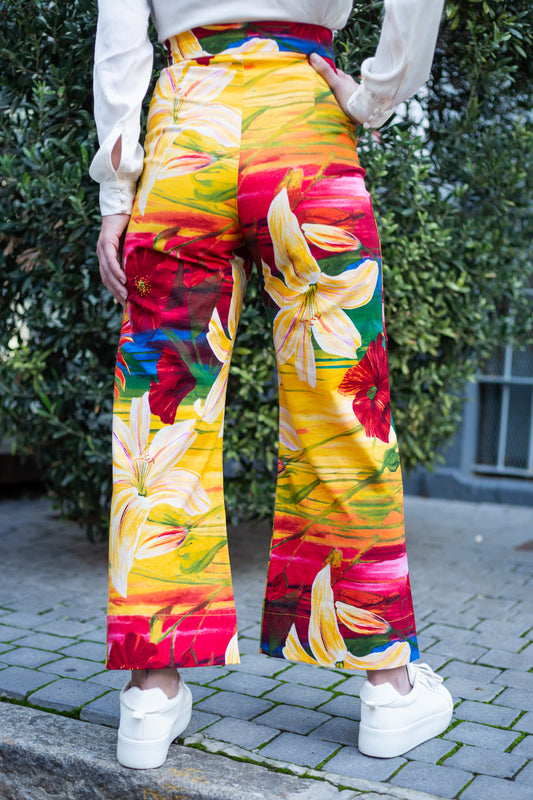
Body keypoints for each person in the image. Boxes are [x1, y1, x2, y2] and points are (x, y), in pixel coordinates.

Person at [91, 0, 452, 770]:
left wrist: (117, 191)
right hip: (303, 118)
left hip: (185, 129)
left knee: (162, 419)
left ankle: (151, 693)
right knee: (341, 407)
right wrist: (375, 96)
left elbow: (120, 34)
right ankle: (388, 689)